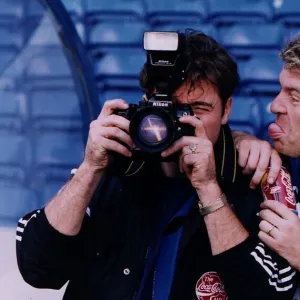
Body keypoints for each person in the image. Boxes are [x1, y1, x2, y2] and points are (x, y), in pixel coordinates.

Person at [16, 30, 297, 300]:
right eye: (171, 109)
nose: (183, 122)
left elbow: (265, 293)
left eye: (198, 109)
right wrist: (90, 168)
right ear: (146, 103)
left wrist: (208, 188)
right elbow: (38, 269)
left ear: (227, 110)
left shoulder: (254, 176)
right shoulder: (114, 169)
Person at [246, 35, 300, 272]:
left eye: (295, 97)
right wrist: (240, 140)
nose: (275, 105)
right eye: (281, 90)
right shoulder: (287, 164)